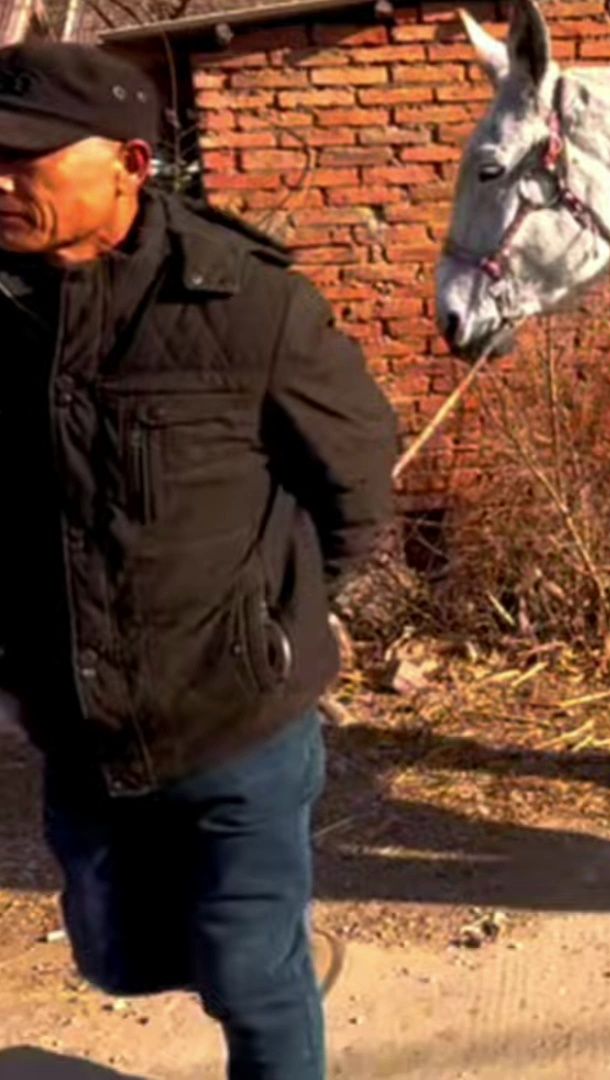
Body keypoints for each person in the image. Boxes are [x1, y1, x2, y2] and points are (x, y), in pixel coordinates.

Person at [0, 40, 398, 1079]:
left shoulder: (246, 304)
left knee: (249, 977)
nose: (0, 179)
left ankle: (267, 967)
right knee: (118, 957)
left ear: (131, 163)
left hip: (236, 716)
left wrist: (296, 612)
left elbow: (353, 476)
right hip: (75, 720)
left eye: (26, 158)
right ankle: (258, 952)